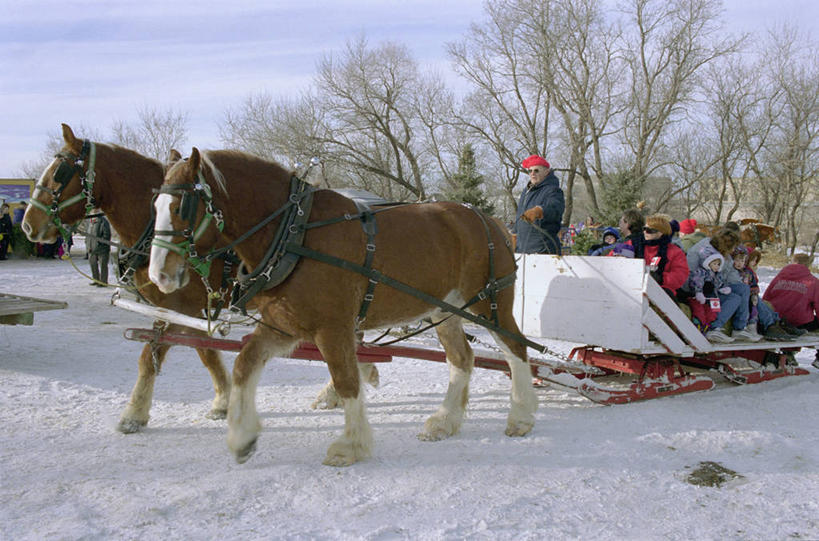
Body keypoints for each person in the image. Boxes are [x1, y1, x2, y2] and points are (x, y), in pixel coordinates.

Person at [684, 227, 759, 343]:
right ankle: (715, 327)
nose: (733, 251)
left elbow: (725, 274)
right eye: (733, 248)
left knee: (743, 289)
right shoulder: (707, 253)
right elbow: (698, 276)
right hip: (698, 289)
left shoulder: (719, 252)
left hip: (714, 285)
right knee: (735, 298)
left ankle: (740, 327)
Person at [732, 245, 803, 340]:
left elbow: (753, 286)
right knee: (757, 302)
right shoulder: (734, 272)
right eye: (752, 260)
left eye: (755, 261)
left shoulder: (748, 272)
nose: (754, 263)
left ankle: (778, 323)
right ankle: (770, 325)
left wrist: (754, 292)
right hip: (740, 298)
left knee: (760, 301)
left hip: (749, 296)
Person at [513, 154, 565, 254]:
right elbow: (520, 216)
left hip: (543, 250)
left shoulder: (553, 190)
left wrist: (539, 210)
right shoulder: (526, 192)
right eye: (530, 171)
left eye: (536, 170)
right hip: (522, 250)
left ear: (546, 172)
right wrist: (514, 235)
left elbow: (555, 208)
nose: (532, 173)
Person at [763, 253, 819, 332]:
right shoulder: (813, 282)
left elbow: (766, 297)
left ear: (793, 261)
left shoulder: (779, 277)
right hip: (800, 322)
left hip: (776, 319)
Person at [641, 214, 689, 298]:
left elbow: (680, 274)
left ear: (661, 233)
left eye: (649, 230)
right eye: (644, 229)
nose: (645, 232)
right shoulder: (635, 244)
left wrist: (661, 278)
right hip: (636, 288)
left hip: (663, 292)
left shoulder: (675, 251)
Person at [685, 246, 725, 331]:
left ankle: (710, 326)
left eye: (718, 264)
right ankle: (698, 325)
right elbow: (696, 281)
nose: (717, 266)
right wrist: (698, 292)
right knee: (699, 311)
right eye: (714, 264)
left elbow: (719, 283)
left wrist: (722, 288)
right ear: (707, 262)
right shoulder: (701, 272)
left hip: (711, 297)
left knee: (712, 313)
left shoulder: (717, 275)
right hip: (700, 297)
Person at [87, 213, 111, 286]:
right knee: (93, 265)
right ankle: (96, 280)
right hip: (91, 249)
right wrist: (87, 245)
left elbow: (107, 235)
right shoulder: (90, 222)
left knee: (103, 265)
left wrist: (99, 243)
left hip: (102, 249)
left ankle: (103, 282)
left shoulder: (103, 221)